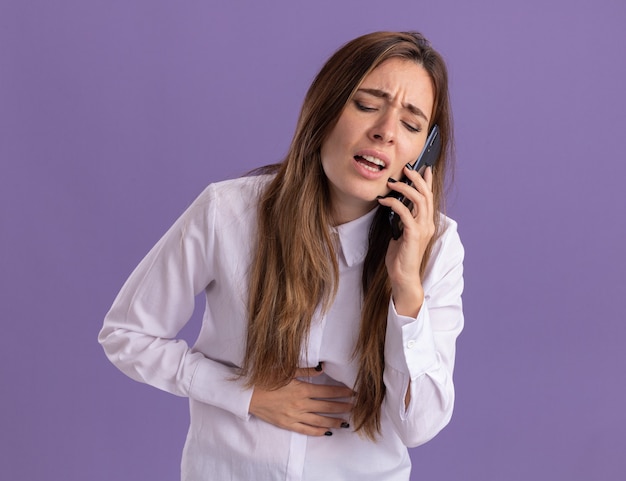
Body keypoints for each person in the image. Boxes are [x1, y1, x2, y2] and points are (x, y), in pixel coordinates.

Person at [99, 30, 464, 480]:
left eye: (411, 125)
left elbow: (419, 426)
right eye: (367, 104)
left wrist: (406, 286)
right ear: (325, 108)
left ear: (424, 152)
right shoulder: (228, 212)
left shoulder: (439, 246)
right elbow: (125, 334)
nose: (385, 132)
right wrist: (246, 392)